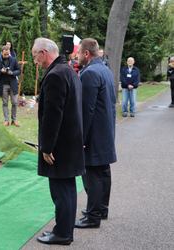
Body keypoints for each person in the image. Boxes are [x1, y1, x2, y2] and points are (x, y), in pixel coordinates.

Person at [32, 38, 85, 245]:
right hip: (70, 142)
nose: (35, 61)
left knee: (61, 192)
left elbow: (53, 115)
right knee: (68, 190)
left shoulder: (55, 75)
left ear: (43, 52)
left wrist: (46, 147)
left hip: (59, 147)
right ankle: (64, 230)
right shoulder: (69, 70)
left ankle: (62, 233)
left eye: (35, 55)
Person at [74, 38, 117, 229]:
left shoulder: (90, 73)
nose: (76, 56)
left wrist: (81, 138)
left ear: (86, 54)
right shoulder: (105, 70)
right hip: (105, 129)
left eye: (78, 52)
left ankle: (93, 216)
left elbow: (86, 109)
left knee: (93, 173)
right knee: (104, 171)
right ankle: (102, 209)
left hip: (94, 132)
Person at [0, 45, 21, 126]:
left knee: (14, 102)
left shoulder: (13, 60)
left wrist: (13, 73)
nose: (6, 56)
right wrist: (0, 71)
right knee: (5, 103)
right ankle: (6, 120)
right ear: (2, 53)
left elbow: (19, 70)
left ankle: (14, 120)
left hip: (13, 84)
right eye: (5, 54)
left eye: (8, 54)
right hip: (3, 85)